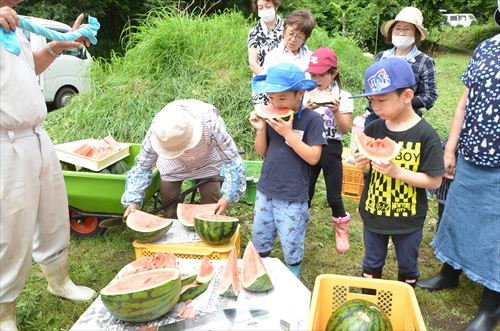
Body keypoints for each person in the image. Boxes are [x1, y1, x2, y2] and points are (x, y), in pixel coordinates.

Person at [0, 2, 97, 330]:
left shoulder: (17, 28)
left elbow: (29, 69)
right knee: (10, 230)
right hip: (5, 143)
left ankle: (59, 281)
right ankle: (5, 311)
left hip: (37, 135)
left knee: (54, 216)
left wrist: (55, 47)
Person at [417, 6, 500, 330]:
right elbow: (464, 102)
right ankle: (449, 272)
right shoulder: (486, 48)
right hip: (470, 154)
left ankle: (492, 305)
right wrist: (450, 148)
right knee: (457, 214)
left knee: (496, 233)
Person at [352, 57, 444, 288]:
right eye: (372, 101)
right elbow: (367, 171)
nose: (375, 107)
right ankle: (369, 301)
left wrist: (397, 172)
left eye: (382, 100)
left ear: (407, 96)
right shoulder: (373, 128)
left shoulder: (426, 134)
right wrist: (362, 164)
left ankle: (406, 298)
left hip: (409, 219)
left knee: (408, 265)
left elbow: (434, 181)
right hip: (374, 212)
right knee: (371, 263)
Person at [248, 63, 326, 278]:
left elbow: (313, 157)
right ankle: (258, 275)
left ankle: (293, 279)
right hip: (265, 190)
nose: (275, 103)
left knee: (291, 243)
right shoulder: (271, 117)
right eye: (271, 98)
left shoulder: (313, 120)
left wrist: (288, 134)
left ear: (300, 93)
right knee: (260, 238)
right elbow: (262, 152)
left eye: (281, 99)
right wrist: (261, 130)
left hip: (293, 195)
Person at [121, 99, 246, 218]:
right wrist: (133, 200)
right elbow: (143, 167)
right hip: (171, 163)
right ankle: (174, 227)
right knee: (169, 202)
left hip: (207, 158)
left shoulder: (210, 122)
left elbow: (232, 160)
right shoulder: (159, 131)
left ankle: (207, 228)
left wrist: (227, 197)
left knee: (211, 203)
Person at [303, 47, 353, 254]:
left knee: (334, 195)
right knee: (306, 191)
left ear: (333, 73)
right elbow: (299, 124)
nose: (316, 79)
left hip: (332, 148)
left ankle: (341, 229)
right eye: (312, 74)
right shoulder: (305, 94)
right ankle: (297, 224)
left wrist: (336, 111)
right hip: (309, 145)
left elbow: (344, 129)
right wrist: (307, 110)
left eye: (320, 74)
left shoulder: (344, 96)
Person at [365, 7, 438, 126]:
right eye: (397, 28)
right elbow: (369, 88)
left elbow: (430, 96)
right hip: (376, 117)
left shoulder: (424, 61)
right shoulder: (381, 57)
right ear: (391, 32)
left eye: (407, 29)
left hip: (407, 120)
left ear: (416, 34)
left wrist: (400, 103)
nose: (401, 33)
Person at [248, 0, 283, 106]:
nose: (264, 10)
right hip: (262, 85)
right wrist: (268, 82)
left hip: (284, 85)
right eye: (261, 7)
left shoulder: (287, 29)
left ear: (275, 6)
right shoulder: (254, 32)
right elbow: (253, 63)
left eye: (268, 7)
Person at [262, 9, 315, 74]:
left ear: (305, 39)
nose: (293, 39)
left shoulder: (312, 59)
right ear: (284, 31)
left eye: (299, 36)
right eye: (290, 33)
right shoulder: (272, 55)